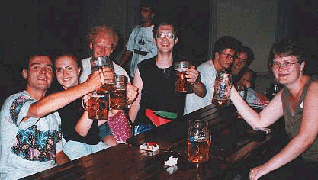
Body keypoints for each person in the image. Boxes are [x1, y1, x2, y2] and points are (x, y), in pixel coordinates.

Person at [0, 50, 104, 179]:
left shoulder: (53, 115)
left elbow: (59, 154)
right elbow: (37, 110)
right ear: (25, 74)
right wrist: (89, 85)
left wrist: (76, 174)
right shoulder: (15, 102)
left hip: (49, 174)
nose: (43, 72)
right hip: (18, 176)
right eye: (36, 67)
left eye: (48, 69)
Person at [230, 38, 318, 180]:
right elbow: (259, 122)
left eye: (287, 63)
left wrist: (266, 167)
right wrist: (231, 92)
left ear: (301, 66)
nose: (281, 69)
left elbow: (306, 138)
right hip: (305, 162)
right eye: (276, 63)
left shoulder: (314, 88)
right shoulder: (285, 93)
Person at [129, 21, 206, 135]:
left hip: (174, 127)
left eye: (169, 35)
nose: (165, 39)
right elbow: (135, 104)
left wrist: (195, 81)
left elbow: (202, 93)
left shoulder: (183, 67)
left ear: (175, 40)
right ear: (155, 40)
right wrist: (128, 130)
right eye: (161, 35)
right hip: (145, 127)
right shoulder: (144, 67)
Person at [79, 25, 138, 145]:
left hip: (106, 124)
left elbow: (121, 108)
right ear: (91, 45)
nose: (102, 51)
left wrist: (128, 98)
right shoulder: (78, 67)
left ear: (112, 50)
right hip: (82, 122)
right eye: (99, 45)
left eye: (107, 47)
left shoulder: (120, 73)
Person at [53, 53, 115, 160]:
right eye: (59, 70)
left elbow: (102, 118)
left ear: (79, 70)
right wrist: (90, 108)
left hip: (94, 144)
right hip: (74, 146)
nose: (64, 74)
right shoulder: (57, 98)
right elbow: (80, 132)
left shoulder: (87, 92)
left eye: (69, 68)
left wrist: (118, 99)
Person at [184, 36, 242, 114]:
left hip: (206, 115)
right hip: (196, 119)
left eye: (232, 56)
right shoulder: (207, 70)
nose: (230, 60)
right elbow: (217, 101)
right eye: (227, 56)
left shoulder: (220, 71)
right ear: (217, 55)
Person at [120, 5, 158, 79]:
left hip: (150, 72)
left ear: (152, 14)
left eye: (146, 11)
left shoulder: (156, 31)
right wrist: (119, 66)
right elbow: (129, 50)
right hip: (134, 71)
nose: (142, 13)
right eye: (142, 11)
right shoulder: (136, 30)